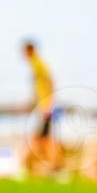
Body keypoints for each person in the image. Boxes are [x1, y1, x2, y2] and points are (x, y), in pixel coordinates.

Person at [24, 40, 58, 173]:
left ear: (29, 51)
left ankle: (25, 167)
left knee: (41, 139)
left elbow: (50, 81)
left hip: (45, 108)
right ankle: (56, 168)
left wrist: (48, 104)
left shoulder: (38, 64)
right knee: (45, 139)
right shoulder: (36, 64)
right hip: (43, 107)